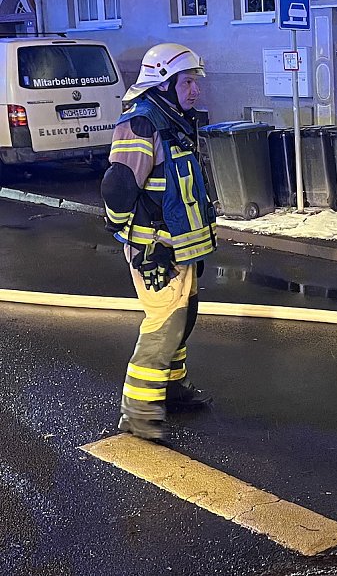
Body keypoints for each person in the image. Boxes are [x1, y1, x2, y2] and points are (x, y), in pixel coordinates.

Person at [101, 43, 217, 442]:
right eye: (187, 82)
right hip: (156, 250)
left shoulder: (175, 120)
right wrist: (138, 242)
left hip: (179, 247)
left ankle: (170, 389)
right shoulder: (142, 123)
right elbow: (118, 187)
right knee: (164, 326)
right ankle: (138, 412)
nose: (195, 90)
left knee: (183, 318)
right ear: (163, 84)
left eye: (195, 83)